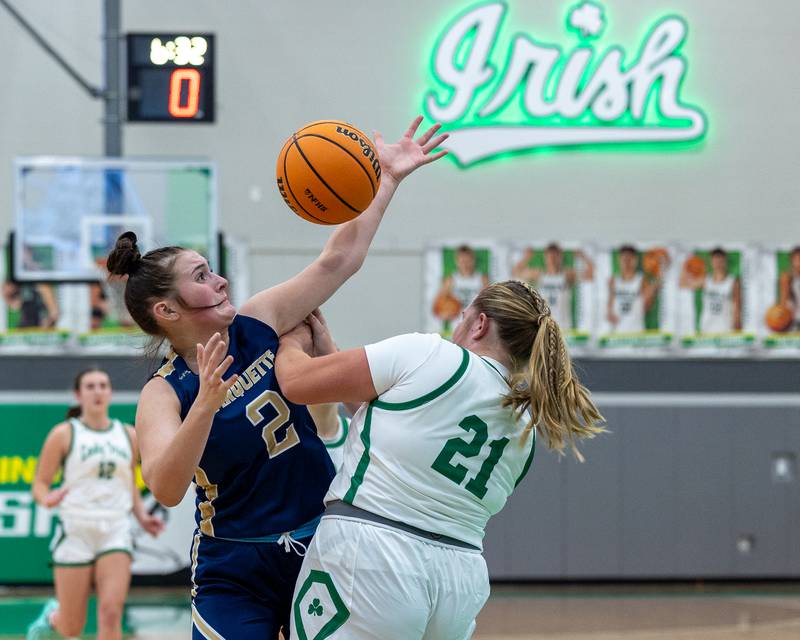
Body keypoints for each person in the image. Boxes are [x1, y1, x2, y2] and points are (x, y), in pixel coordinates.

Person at [104, 117, 447, 639]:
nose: (218, 280)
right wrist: (205, 405)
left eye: (210, 269)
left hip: (321, 547)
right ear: (167, 311)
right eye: (200, 277)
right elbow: (167, 487)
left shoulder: (259, 323)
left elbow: (339, 261)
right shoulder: (163, 392)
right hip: (233, 566)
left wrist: (387, 181)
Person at [275, 280, 604, 639]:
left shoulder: (432, 354)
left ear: (479, 324)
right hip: (458, 580)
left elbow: (295, 381)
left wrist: (290, 338)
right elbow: (394, 416)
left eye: (462, 318)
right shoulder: (526, 422)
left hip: (373, 556)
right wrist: (330, 351)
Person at [27, 368, 164, 640]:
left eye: (103, 385)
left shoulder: (128, 435)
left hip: (115, 529)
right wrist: (48, 498)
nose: (98, 391)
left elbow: (128, 483)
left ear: (110, 392)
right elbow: (39, 484)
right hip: (76, 530)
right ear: (78, 395)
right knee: (72, 626)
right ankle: (53, 617)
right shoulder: (64, 433)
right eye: (90, 386)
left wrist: (141, 516)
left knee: (112, 612)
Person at [512, 243, 594, 329]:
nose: (553, 259)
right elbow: (516, 273)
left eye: (555, 256)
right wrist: (527, 257)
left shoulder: (567, 275)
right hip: (544, 325)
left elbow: (590, 275)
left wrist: (582, 256)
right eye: (550, 256)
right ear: (545, 257)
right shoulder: (539, 274)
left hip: (563, 325)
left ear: (560, 256)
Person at [680, 247, 741, 334]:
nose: (718, 263)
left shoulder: (733, 282)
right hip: (706, 329)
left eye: (720, 260)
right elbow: (683, 284)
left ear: (725, 261)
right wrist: (686, 265)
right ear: (711, 262)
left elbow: (737, 307)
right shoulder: (706, 280)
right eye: (715, 260)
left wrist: (736, 327)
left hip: (726, 330)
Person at [607, 244, 660, 333]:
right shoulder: (613, 281)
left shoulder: (641, 280)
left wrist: (652, 291)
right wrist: (609, 313)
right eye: (624, 259)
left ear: (635, 260)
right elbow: (609, 307)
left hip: (636, 332)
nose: (626, 262)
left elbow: (646, 308)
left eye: (629, 259)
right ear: (619, 260)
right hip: (617, 333)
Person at [436, 244, 490, 311]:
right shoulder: (450, 280)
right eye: (462, 261)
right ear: (457, 261)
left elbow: (490, 303)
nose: (465, 264)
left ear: (473, 260)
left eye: (468, 261)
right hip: (458, 320)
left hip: (476, 319)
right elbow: (438, 304)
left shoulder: (483, 279)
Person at [779, 246, 800, 330]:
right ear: (792, 261)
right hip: (793, 319)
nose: (799, 263)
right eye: (797, 260)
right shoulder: (787, 277)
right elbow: (783, 300)